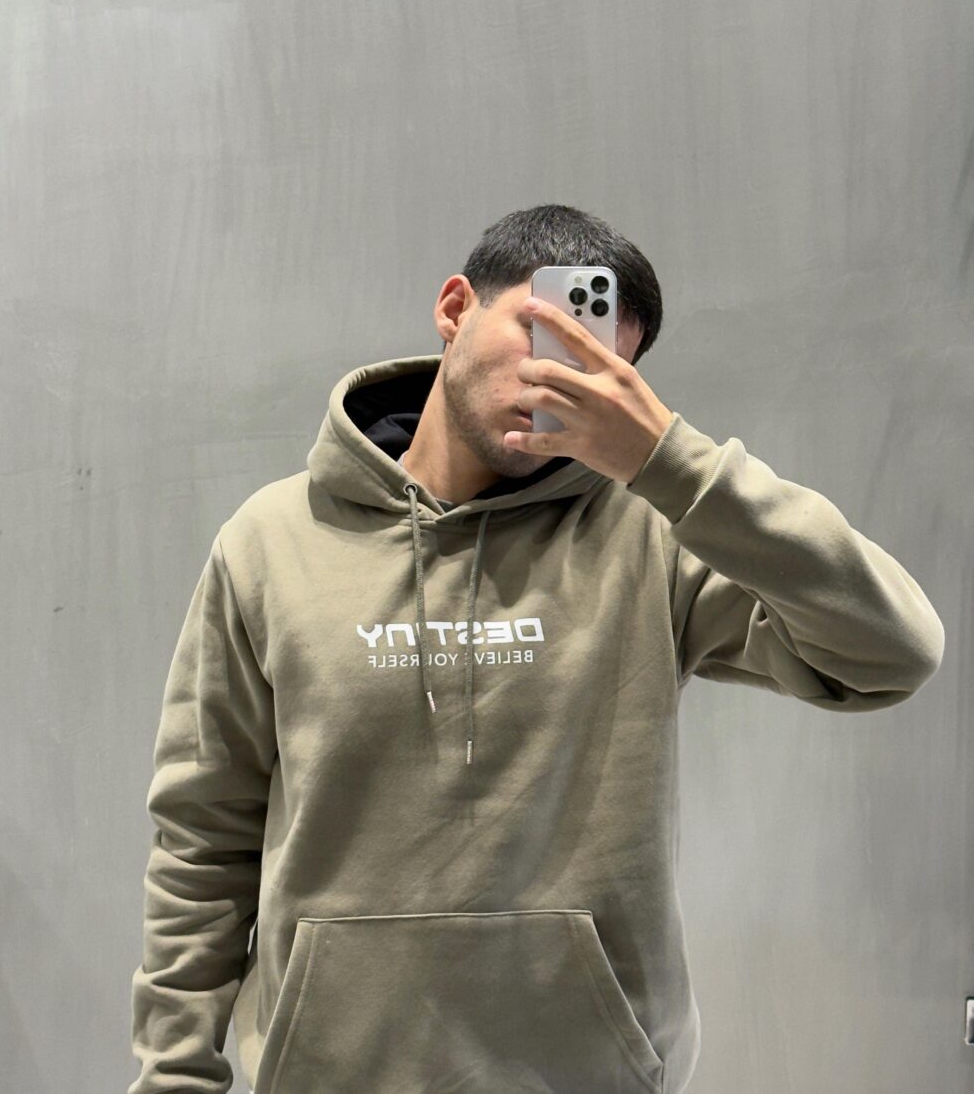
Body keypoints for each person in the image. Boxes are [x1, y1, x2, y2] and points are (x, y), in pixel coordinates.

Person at [127, 204, 945, 1094]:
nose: (559, 375)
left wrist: (669, 461)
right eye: (543, 330)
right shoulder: (271, 541)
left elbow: (891, 649)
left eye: (597, 362)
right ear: (454, 309)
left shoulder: (649, 535)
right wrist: (174, 1076)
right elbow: (203, 835)